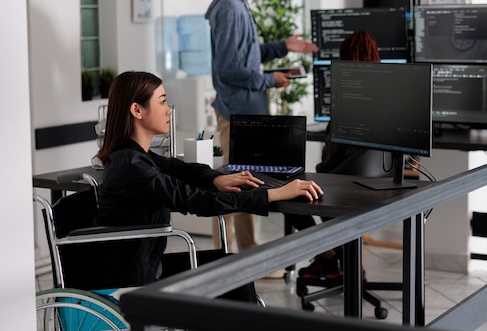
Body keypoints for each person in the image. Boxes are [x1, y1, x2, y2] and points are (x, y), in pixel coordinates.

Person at [95, 71, 323, 301]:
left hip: (146, 264)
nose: (168, 110)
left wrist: (216, 179)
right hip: (137, 275)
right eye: (162, 102)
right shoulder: (132, 166)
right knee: (234, 270)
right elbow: (200, 201)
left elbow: (181, 169)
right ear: (137, 110)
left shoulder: (136, 157)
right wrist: (274, 193)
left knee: (233, 265)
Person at [204, 0, 319, 256]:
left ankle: (246, 254)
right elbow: (229, 69)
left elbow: (246, 56)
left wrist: (283, 47)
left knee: (246, 184)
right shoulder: (228, 7)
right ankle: (224, 260)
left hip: (247, 115)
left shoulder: (237, 4)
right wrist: (271, 79)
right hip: (236, 113)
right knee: (229, 187)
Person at [291, 31, 381, 280]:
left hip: (343, 187)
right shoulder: (388, 95)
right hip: (379, 186)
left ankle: (328, 258)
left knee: (289, 192)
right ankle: (343, 261)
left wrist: (319, 175)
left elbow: (329, 162)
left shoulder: (348, 97)